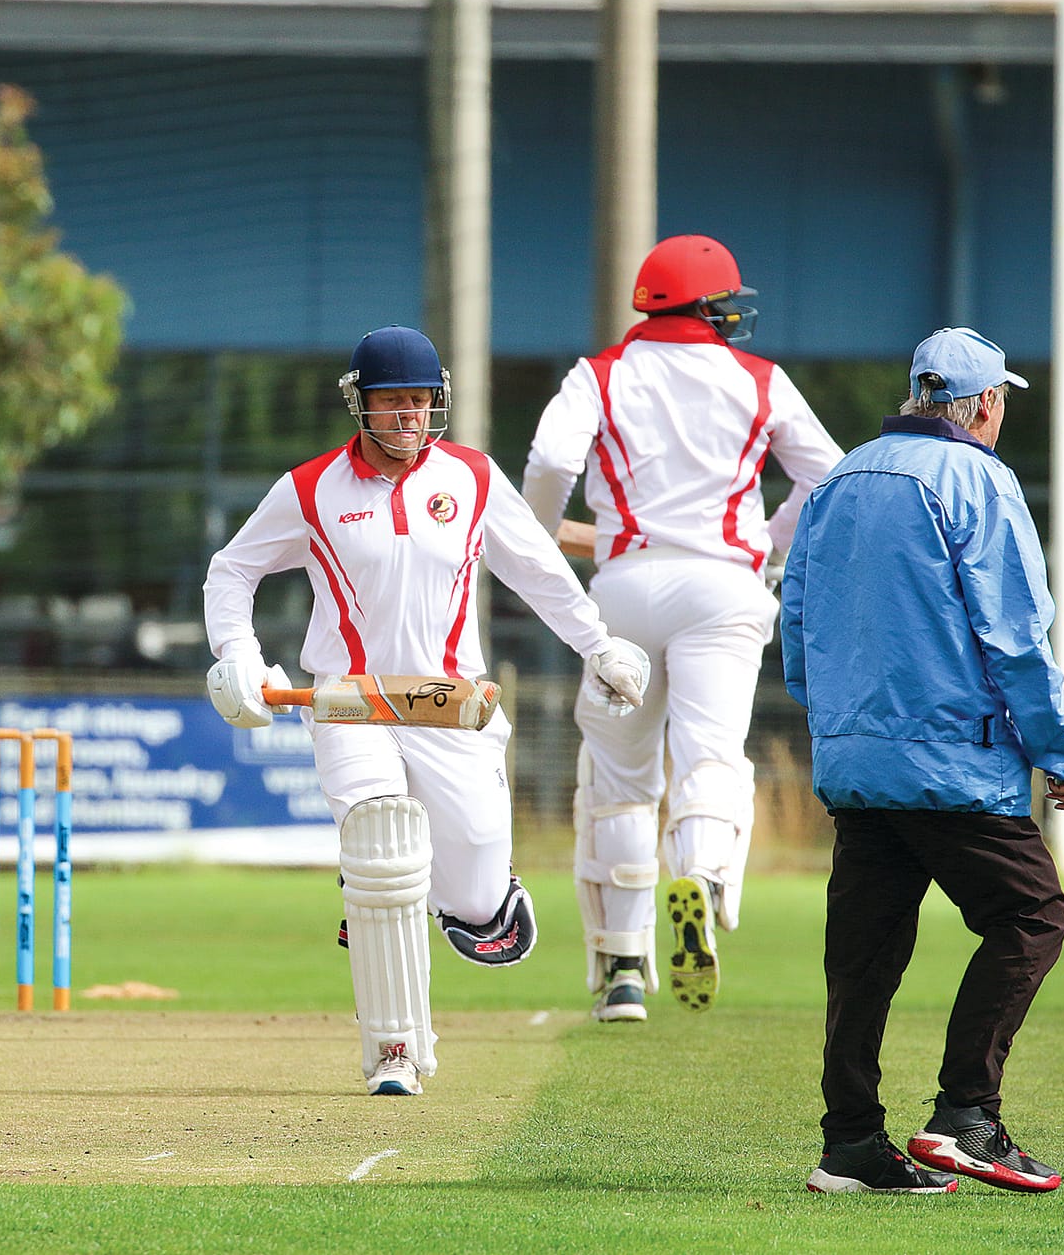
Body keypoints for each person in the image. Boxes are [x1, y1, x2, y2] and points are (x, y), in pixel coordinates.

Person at [203, 325, 649, 1096]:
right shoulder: (311, 488)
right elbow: (230, 569)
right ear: (360, 405)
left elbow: (538, 569)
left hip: (451, 705)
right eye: (392, 402)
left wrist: (599, 644)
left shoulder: (471, 478)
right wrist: (238, 655)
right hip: (349, 702)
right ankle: (395, 1050)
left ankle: (468, 896)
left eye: (421, 401)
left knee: (474, 900)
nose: (409, 416)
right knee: (382, 854)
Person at [781, 327, 1064, 1195]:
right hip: (954, 761)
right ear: (987, 403)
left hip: (857, 761)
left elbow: (796, 622)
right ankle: (966, 1117)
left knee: (865, 955)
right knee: (1032, 914)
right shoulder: (980, 480)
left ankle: (849, 1143)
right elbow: (1016, 638)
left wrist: (840, 721)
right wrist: (1061, 757)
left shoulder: (840, 475)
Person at [519, 234, 844, 1023]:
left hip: (626, 585)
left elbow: (552, 458)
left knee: (619, 777)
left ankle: (623, 970)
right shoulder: (760, 379)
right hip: (724, 587)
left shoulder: (599, 374)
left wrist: (536, 541)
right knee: (710, 755)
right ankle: (698, 877)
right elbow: (830, 475)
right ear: (710, 306)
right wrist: (767, 541)